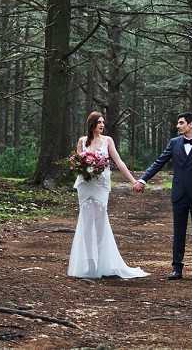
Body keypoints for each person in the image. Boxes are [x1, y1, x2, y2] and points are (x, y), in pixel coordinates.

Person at [134, 111, 192, 281]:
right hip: (179, 195)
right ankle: (176, 268)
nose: (178, 126)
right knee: (178, 233)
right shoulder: (174, 143)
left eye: (181, 123)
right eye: (178, 123)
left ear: (190, 124)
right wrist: (143, 179)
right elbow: (159, 162)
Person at [68, 111, 148, 279]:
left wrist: (133, 180)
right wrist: (81, 167)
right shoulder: (82, 141)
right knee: (86, 222)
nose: (102, 125)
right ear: (92, 125)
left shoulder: (108, 141)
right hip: (85, 185)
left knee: (100, 222)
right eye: (99, 122)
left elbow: (118, 161)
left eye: (103, 122)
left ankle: (103, 262)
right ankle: (90, 263)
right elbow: (77, 162)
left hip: (101, 185)